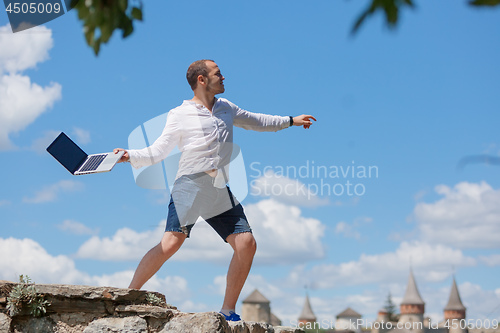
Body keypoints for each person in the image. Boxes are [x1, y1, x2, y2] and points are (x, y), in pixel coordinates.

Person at [113, 59, 316, 321]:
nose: (224, 77)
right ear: (202, 80)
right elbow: (158, 151)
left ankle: (228, 310)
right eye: (218, 73)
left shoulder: (226, 108)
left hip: (218, 188)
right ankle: (129, 295)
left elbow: (257, 121)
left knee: (246, 243)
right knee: (172, 242)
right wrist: (130, 155)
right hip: (190, 184)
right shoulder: (179, 114)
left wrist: (291, 120)